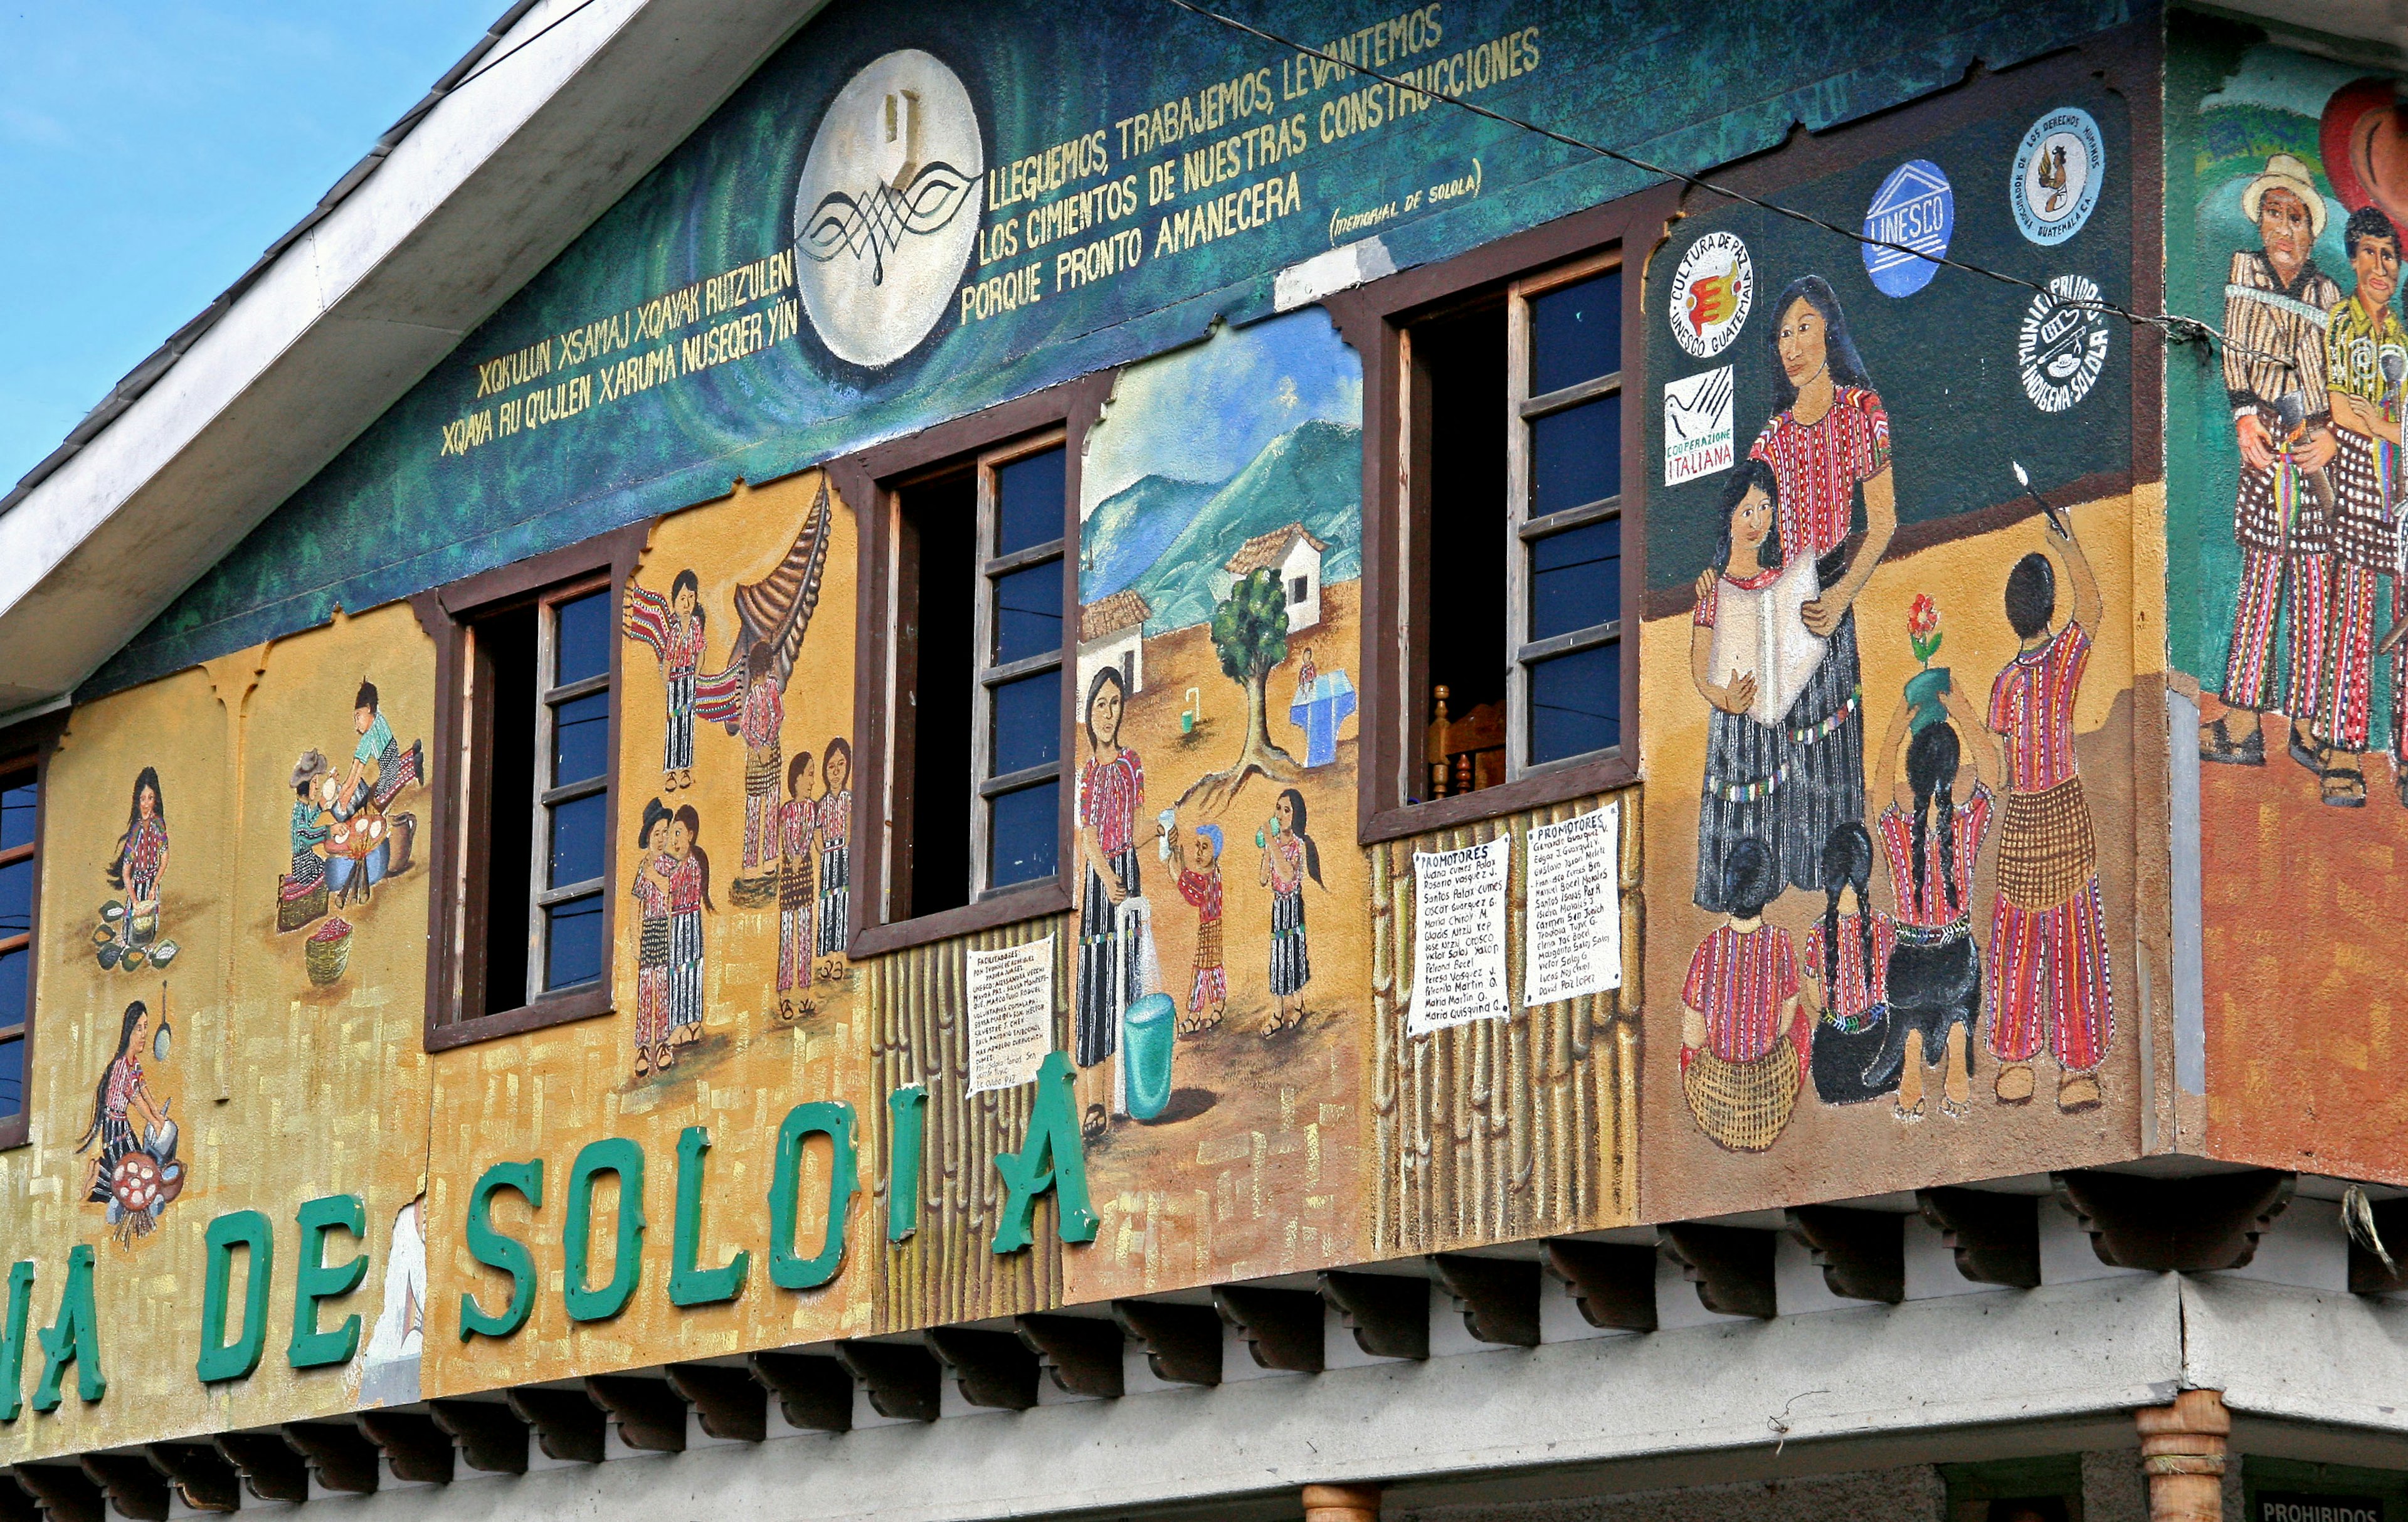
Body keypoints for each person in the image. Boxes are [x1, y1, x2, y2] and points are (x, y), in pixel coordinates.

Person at [1741, 275, 1896, 895]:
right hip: (1783, 602)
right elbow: (1745, 531)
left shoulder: (1864, 416)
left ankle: (1842, 883)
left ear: (1830, 328)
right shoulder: (1770, 438)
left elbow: (1883, 522)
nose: (1793, 344)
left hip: (1834, 590)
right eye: (1783, 333)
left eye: (1804, 327)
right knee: (1787, 755)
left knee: (1836, 741)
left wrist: (1840, 600)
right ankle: (1798, 882)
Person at [2200, 154, 2345, 772]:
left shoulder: (2326, 292)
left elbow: (2339, 381)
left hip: (2312, 444)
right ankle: (2242, 722)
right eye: (2274, 215)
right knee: (2261, 578)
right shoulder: (2245, 273)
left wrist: (2332, 435)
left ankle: (2309, 723)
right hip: (2265, 434)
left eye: (2296, 218)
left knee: (2313, 581)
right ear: (2260, 222)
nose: (2284, 230)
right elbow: (2236, 350)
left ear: (2312, 230)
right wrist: (2242, 416)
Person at [1985, 519, 2113, 1111]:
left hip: (2025, 819)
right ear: (2048, 608)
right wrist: (2069, 545)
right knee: (2072, 946)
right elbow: (2094, 604)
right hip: (2063, 812)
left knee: (2018, 944)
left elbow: (2002, 772)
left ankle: (2015, 1062)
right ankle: (2077, 1070)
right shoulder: (2062, 660)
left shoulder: (2005, 684)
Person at [2318, 205, 2408, 806]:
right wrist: (2384, 422)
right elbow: (2342, 406)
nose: (2382, 267)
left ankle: (2403, 757)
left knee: (2402, 628)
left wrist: (2379, 421)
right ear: (2353, 260)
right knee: (2352, 618)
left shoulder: (2400, 335)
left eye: (2391, 256)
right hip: (2354, 476)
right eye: (2371, 254)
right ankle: (2344, 753)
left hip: (2399, 488)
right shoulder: (2342, 323)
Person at [1872, 691, 1995, 1118]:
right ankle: (1959, 1030)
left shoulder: (1894, 829)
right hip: (1955, 957)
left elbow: (1881, 791)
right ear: (1953, 771)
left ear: (1913, 772)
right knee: (1963, 989)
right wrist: (1961, 706)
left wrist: (1896, 727)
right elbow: (1992, 773)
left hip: (1908, 963)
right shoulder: (1966, 823)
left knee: (1907, 1015)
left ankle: (1911, 1053)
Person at [1691, 459, 1791, 909]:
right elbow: (1698, 668)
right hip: (1733, 727)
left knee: (1773, 804)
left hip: (1772, 720)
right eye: (1747, 511)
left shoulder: (1780, 581)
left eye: (1765, 507)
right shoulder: (1713, 589)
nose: (1758, 522)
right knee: (1733, 807)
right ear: (1729, 518)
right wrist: (1724, 699)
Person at [1679, 838, 1804, 1153]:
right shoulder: (1781, 942)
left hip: (1714, 1100)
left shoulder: (1708, 949)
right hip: (1771, 1092)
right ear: (1767, 891)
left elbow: (1693, 1038)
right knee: (1801, 1018)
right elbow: (1785, 1025)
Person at [1075, 667, 1145, 1137]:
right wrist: (1107, 879)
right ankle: (1094, 1101)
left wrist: (1162, 831)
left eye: (1115, 702)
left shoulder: (1132, 763)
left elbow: (1136, 825)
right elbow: (1088, 836)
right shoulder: (1089, 773)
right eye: (1101, 702)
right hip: (1101, 885)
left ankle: (1129, 1093)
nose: (1108, 712)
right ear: (1090, 710)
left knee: (1129, 979)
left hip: (1130, 874)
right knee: (1097, 985)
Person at [1800, 823, 1898, 1108]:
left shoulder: (1817, 932)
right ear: (1865, 871)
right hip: (1878, 1051)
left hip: (1832, 1067)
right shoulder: (1886, 927)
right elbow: (1893, 992)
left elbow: (1817, 1002)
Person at [75, 999, 182, 1234]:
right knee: (130, 1171)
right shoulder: (122, 1066)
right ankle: (98, 1185)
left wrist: (160, 1119)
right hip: (115, 1128)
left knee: (141, 1167)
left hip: (122, 1124)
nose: (144, 1034)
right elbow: (137, 1102)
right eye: (139, 1028)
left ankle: (116, 1193)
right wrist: (156, 1123)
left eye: (146, 1027)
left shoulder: (134, 1064)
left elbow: (147, 1096)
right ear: (129, 1030)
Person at [623, 567, 707, 791]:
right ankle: (671, 771)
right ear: (675, 603)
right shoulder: (675, 632)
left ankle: (685, 768)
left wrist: (696, 677)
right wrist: (668, 685)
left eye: (691, 598)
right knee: (674, 724)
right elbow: (668, 661)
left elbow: (700, 653)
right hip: (676, 683)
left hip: (689, 680)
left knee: (687, 722)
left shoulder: (696, 627)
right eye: (682, 599)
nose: (687, 604)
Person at [1259, 786, 1324, 1037]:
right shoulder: (1274, 845)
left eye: (1287, 810)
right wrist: (1268, 848)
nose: (1280, 815)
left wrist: (1272, 847)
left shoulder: (1298, 845)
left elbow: (1287, 873)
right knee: (1278, 956)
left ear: (1295, 816)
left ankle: (1298, 1005)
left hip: (1293, 905)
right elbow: (1264, 878)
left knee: (1294, 953)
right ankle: (1277, 1013)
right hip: (1279, 905)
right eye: (1278, 808)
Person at [343, 680, 420, 874]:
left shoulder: (367, 740)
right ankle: (412, 759)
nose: (356, 725)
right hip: (393, 758)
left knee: (376, 802)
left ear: (368, 709)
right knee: (381, 782)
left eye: (358, 716)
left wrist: (343, 802)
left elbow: (354, 778)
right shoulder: (379, 718)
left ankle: (412, 764)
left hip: (389, 769)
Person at [1166, 820, 1227, 1035]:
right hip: (1212, 927)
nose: (1199, 852)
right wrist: (1177, 857)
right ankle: (1219, 1006)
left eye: (1205, 847)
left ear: (1216, 851)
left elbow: (1191, 891)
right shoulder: (1213, 874)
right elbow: (1189, 879)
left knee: (1202, 972)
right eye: (1198, 846)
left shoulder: (1208, 878)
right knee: (1213, 969)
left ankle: (1193, 1017)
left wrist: (1174, 867)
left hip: (1209, 929)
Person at [629, 800, 676, 1077]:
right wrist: (635, 938)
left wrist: (655, 875)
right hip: (650, 930)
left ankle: (664, 1044)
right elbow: (636, 902)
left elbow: (672, 891)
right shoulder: (642, 867)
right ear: (648, 836)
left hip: (667, 929)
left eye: (665, 832)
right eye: (657, 833)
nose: (661, 838)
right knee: (648, 988)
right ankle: (644, 1046)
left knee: (664, 985)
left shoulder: (669, 864)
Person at [664, 803, 714, 1050]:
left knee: (690, 969)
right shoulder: (676, 864)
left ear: (691, 835)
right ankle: (679, 1023)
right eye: (672, 834)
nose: (674, 840)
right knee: (678, 972)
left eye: (678, 833)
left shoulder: (689, 863)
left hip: (688, 921)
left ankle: (690, 1021)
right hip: (680, 923)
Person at [107, 767, 170, 947]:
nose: (146, 803)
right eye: (143, 799)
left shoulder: (158, 824)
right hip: (136, 883)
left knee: (151, 925)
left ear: (156, 799)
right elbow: (126, 873)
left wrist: (155, 885)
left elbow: (164, 858)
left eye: (150, 798)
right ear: (137, 801)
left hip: (152, 881)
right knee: (133, 927)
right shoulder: (136, 832)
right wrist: (134, 900)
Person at [778, 751, 817, 1017]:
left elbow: (810, 834)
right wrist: (793, 856)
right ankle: (784, 994)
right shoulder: (786, 810)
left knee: (804, 932)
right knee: (786, 934)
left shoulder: (812, 808)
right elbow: (785, 837)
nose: (813, 781)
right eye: (810, 774)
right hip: (790, 874)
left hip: (804, 872)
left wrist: (800, 855)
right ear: (798, 777)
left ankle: (803, 992)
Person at [282, 749, 333, 923]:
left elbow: (309, 823)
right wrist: (329, 831)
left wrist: (321, 805)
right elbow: (306, 835)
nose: (317, 787)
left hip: (308, 859)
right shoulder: (298, 810)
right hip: (304, 865)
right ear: (307, 785)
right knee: (330, 869)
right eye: (315, 782)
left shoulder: (303, 807)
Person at [814, 739, 852, 967]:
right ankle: (828, 952)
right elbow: (817, 831)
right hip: (829, 855)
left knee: (843, 898)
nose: (836, 772)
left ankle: (840, 950)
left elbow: (849, 828)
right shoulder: (822, 803)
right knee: (828, 900)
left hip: (843, 855)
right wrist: (824, 851)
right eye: (831, 766)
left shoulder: (849, 799)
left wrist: (844, 848)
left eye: (841, 764)